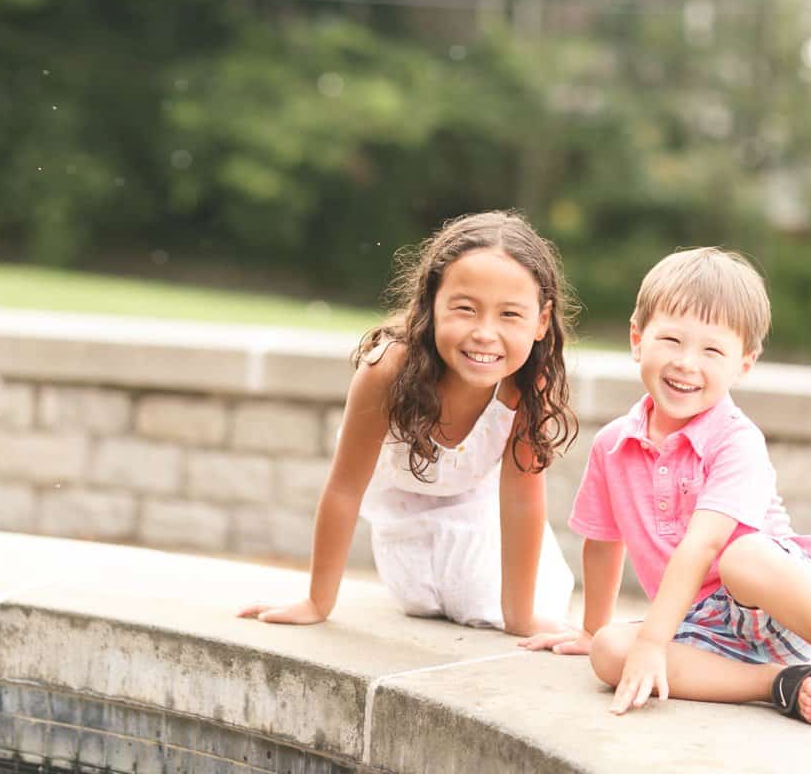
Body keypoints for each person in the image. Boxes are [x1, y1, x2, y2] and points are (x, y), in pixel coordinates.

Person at [521, 247, 811, 728]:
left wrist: (652, 640)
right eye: (671, 340)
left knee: (740, 555)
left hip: (772, 604)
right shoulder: (613, 445)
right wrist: (591, 628)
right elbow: (604, 542)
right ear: (636, 339)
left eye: (712, 351)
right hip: (702, 629)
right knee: (609, 652)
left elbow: (705, 541)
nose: (686, 363)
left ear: (743, 364)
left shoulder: (735, 439)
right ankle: (780, 683)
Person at [238, 211, 577, 635]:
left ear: (541, 321)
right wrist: (317, 601)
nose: (485, 334)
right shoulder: (389, 370)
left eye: (510, 315)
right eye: (465, 309)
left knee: (532, 603)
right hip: (405, 513)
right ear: (431, 303)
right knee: (457, 597)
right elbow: (345, 489)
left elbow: (522, 501)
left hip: (477, 503)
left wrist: (521, 617)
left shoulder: (526, 382)